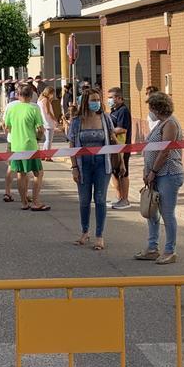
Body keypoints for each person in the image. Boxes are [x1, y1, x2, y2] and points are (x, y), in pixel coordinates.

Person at [68, 89, 120, 251]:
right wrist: (74, 167)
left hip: (102, 164)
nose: (96, 102)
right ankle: (85, 232)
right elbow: (71, 145)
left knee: (100, 199)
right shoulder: (77, 121)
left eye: (98, 99)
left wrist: (120, 160)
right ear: (85, 102)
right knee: (84, 200)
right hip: (83, 164)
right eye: (92, 99)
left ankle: (99, 236)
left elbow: (112, 139)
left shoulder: (105, 118)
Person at [136, 92, 184, 264]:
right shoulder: (161, 123)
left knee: (167, 213)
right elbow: (151, 149)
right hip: (156, 174)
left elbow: (165, 151)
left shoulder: (170, 124)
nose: (150, 111)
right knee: (152, 211)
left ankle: (170, 250)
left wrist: (153, 171)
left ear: (157, 107)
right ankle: (152, 247)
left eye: (151, 107)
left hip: (168, 173)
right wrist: (146, 169)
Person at [6, 83, 48, 211]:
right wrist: (39, 137)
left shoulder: (11, 108)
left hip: (15, 145)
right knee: (38, 173)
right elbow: (40, 129)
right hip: (30, 145)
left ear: (18, 95)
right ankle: (36, 201)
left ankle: (24, 202)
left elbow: (6, 127)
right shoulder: (33, 109)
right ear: (31, 96)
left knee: (21, 174)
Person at [107, 87, 133, 209]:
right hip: (113, 147)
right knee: (115, 172)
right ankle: (119, 197)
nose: (109, 100)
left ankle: (125, 199)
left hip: (122, 147)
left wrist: (109, 131)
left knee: (123, 172)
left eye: (111, 97)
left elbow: (122, 129)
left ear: (119, 98)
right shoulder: (113, 111)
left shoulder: (123, 111)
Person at [38, 86, 63, 151]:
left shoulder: (40, 99)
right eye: (52, 93)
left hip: (43, 121)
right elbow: (48, 112)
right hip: (48, 122)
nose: (53, 95)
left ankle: (44, 154)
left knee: (47, 140)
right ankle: (47, 155)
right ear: (49, 93)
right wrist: (55, 119)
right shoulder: (45, 100)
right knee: (49, 140)